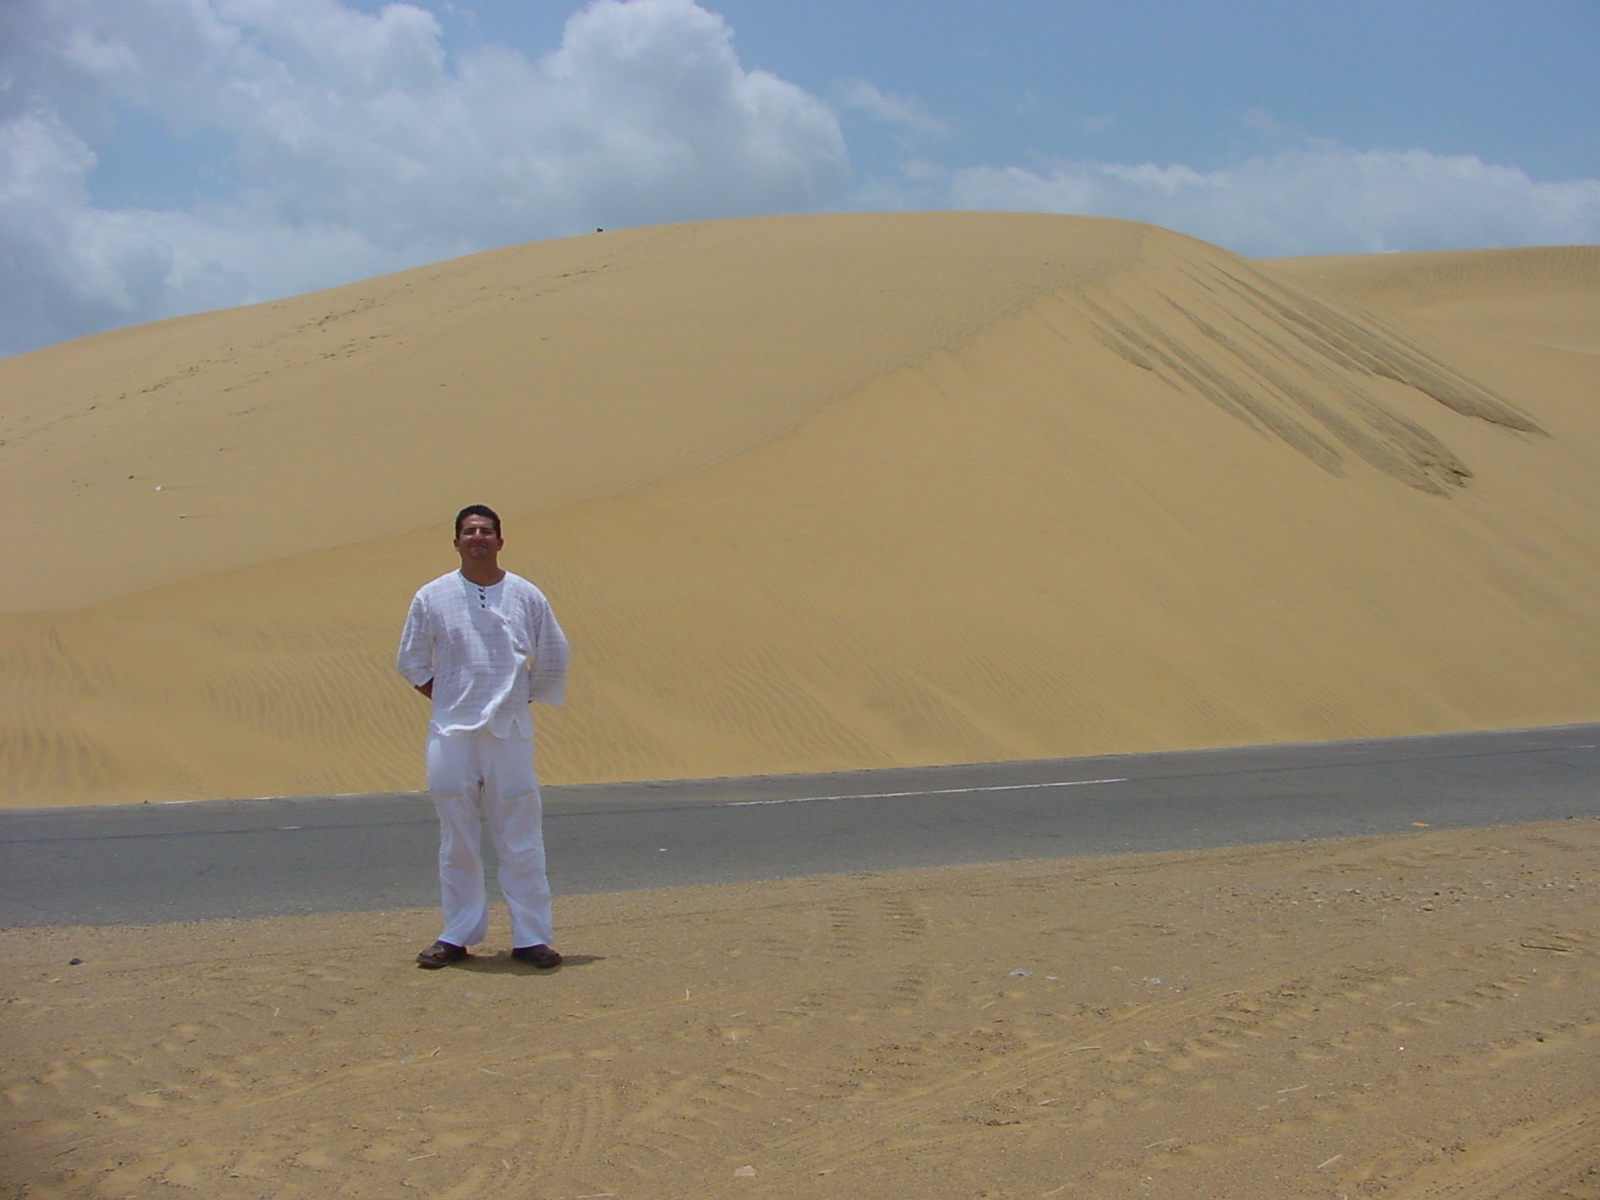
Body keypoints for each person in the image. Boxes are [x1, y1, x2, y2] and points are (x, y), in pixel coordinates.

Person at [396, 504, 570, 969]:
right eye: (469, 531)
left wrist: (514, 699)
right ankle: (456, 934)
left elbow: (554, 654)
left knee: (520, 836)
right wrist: (452, 699)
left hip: (509, 733)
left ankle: (531, 937)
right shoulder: (432, 595)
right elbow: (411, 660)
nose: (478, 537)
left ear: (500, 541)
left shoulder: (526, 595)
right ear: (456, 541)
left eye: (486, 531)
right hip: (451, 732)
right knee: (456, 837)